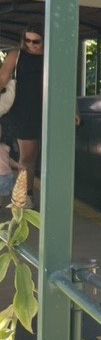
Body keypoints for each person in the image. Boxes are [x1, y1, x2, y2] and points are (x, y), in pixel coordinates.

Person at [0, 25, 44, 209]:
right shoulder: (16, 54)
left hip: (44, 110)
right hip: (21, 111)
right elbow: (2, 79)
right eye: (27, 40)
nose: (31, 45)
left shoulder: (53, 56)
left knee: (33, 156)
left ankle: (26, 195)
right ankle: (24, 196)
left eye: (36, 41)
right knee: (26, 157)